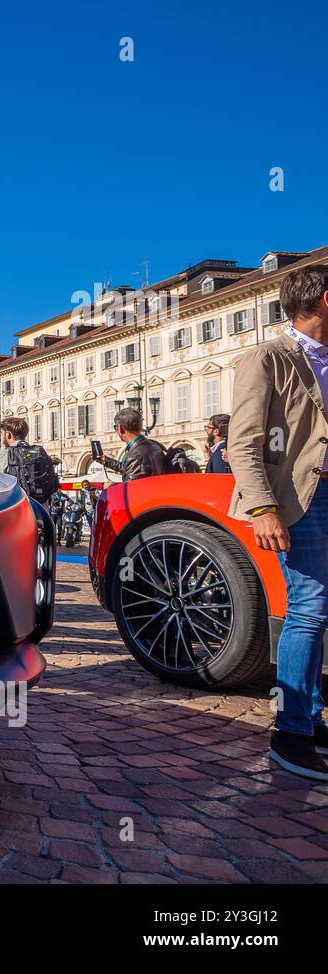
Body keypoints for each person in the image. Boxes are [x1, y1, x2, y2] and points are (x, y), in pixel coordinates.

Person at [228, 264, 328, 781]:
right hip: (299, 499)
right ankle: (290, 734)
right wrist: (263, 508)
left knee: (321, 608)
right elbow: (243, 443)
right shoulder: (269, 356)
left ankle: (309, 716)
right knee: (310, 607)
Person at [0, 417, 58, 503]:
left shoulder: (0, 455)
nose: (1, 437)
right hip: (41, 509)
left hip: (18, 507)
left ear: (8, 435)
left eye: (1, 433)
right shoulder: (40, 453)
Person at [106, 407, 168, 481]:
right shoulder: (153, 444)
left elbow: (131, 489)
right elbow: (130, 469)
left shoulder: (136, 454)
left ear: (120, 428)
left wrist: (112, 487)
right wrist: (105, 460)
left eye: (115, 427)